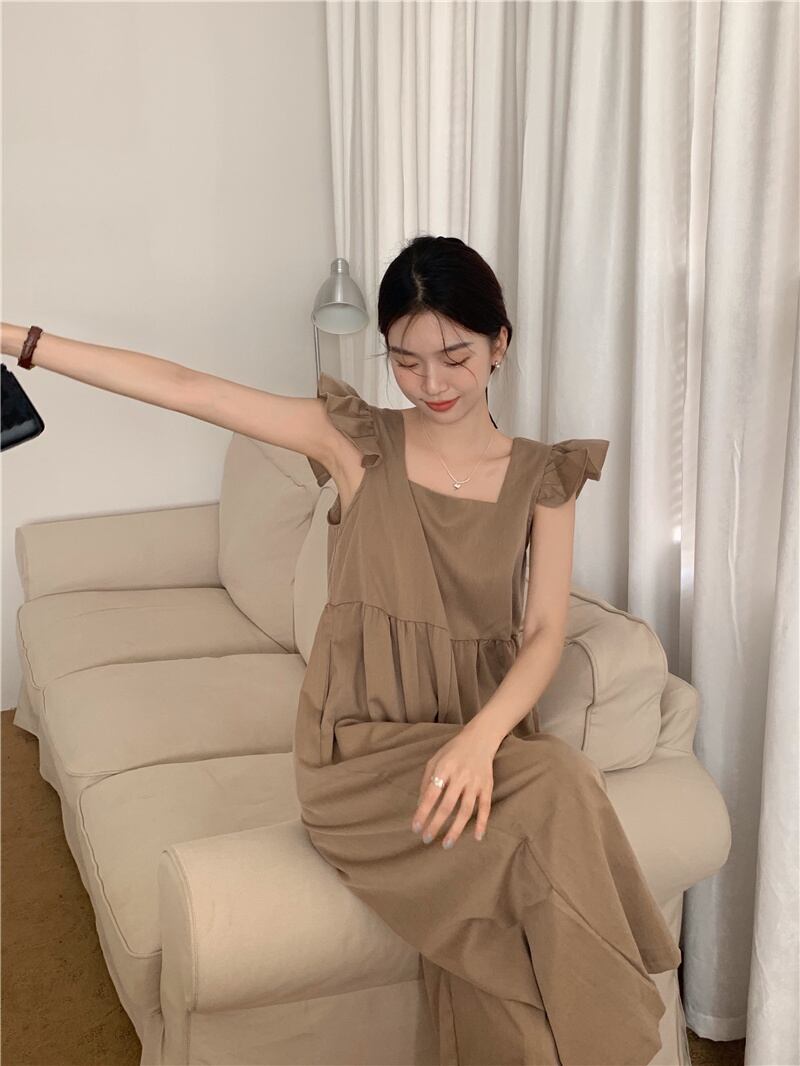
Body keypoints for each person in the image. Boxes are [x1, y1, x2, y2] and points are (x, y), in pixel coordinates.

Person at [1, 234, 681, 1065]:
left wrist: (479, 740)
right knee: (559, 789)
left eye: (456, 358)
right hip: (359, 755)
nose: (432, 384)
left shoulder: (543, 476)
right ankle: (627, 1044)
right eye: (406, 361)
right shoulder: (355, 442)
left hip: (474, 745)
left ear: (500, 344)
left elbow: (543, 633)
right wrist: (16, 340)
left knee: (508, 931)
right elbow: (186, 387)